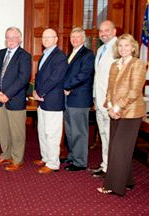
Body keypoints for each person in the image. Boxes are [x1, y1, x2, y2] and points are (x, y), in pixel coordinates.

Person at [96, 34, 146, 196]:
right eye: (120, 46)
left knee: (119, 149)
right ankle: (128, 181)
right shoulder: (114, 64)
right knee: (119, 148)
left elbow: (134, 91)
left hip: (131, 113)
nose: (123, 49)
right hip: (114, 111)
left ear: (133, 47)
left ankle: (113, 186)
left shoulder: (138, 64)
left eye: (126, 45)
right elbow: (110, 89)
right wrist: (110, 106)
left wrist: (117, 107)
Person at [0, 27, 31, 172]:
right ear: (5, 39)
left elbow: (23, 79)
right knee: (3, 130)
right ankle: (6, 154)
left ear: (20, 39)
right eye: (8, 37)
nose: (11, 40)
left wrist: (7, 95)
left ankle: (17, 159)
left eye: (14, 37)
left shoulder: (24, 56)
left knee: (17, 132)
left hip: (14, 100)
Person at [33, 28, 68, 174]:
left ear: (56, 39)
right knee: (42, 131)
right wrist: (35, 91)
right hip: (42, 101)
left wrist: (40, 92)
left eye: (49, 37)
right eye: (44, 37)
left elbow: (55, 78)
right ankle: (46, 158)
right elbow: (39, 76)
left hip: (52, 101)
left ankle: (53, 163)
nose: (46, 40)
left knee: (52, 133)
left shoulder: (59, 56)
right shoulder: (45, 55)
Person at [62, 27, 95, 171]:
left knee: (79, 131)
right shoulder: (71, 54)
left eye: (77, 37)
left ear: (83, 39)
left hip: (79, 98)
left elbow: (84, 75)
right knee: (70, 130)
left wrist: (67, 87)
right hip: (68, 98)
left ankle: (80, 162)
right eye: (72, 37)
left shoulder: (87, 54)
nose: (74, 39)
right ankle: (72, 156)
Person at [90, 20, 117, 178]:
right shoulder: (100, 49)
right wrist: (94, 97)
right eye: (101, 30)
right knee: (104, 135)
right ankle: (105, 165)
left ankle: (113, 169)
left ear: (114, 31)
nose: (103, 33)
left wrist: (113, 102)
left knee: (112, 136)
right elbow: (98, 77)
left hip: (111, 103)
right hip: (99, 101)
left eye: (107, 30)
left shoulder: (119, 48)